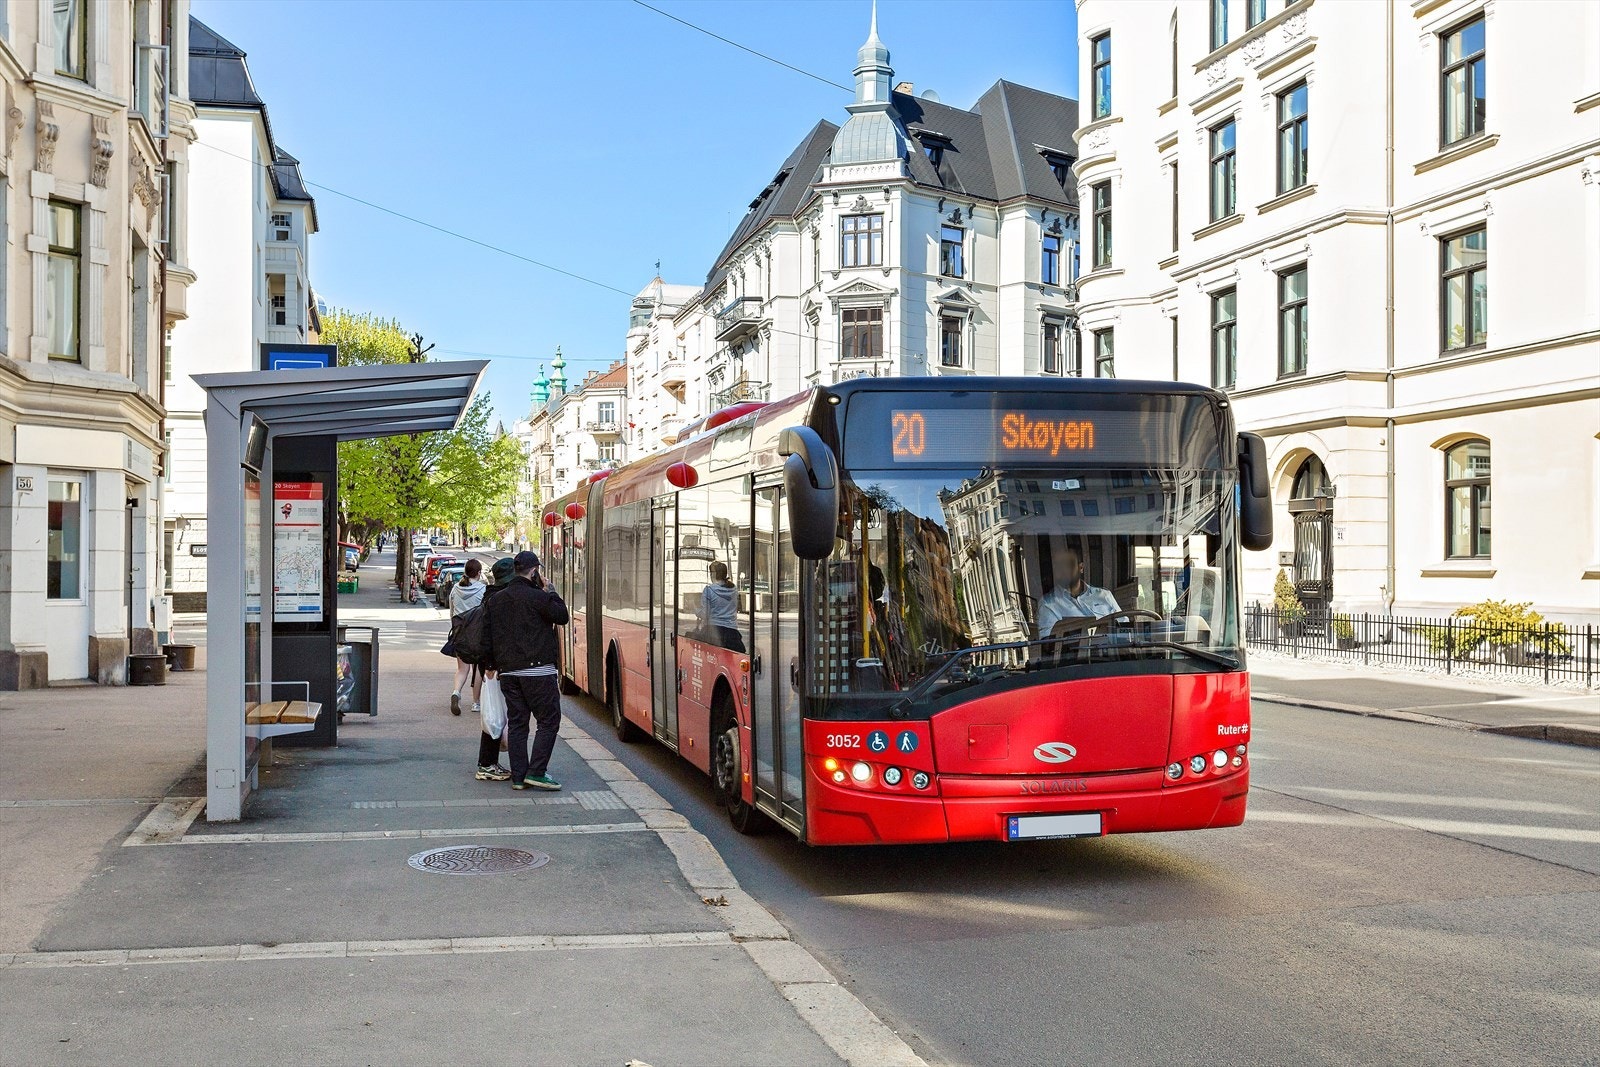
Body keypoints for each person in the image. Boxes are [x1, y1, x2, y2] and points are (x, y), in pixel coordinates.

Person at [483, 551, 569, 791]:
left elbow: (487, 637)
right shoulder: (538, 597)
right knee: (548, 721)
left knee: (518, 723)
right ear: (534, 572)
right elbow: (562, 616)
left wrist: (491, 665)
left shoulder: (496, 600)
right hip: (538, 671)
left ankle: (519, 776)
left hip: (508, 672)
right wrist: (550, 590)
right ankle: (537, 771)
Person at [469, 557, 517, 781]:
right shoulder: (498, 600)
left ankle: (489, 763)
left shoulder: (490, 596)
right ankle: (487, 764)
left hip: (490, 664)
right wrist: (490, 665)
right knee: (496, 715)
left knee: (495, 714)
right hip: (494, 666)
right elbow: (491, 635)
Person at [1036, 544, 1122, 639]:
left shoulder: (1104, 595)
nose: (1063, 570)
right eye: (1059, 566)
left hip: (1113, 650)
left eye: (1068, 565)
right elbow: (1048, 643)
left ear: (1081, 567)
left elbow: (1125, 627)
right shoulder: (1048, 604)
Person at [449, 558, 486, 716]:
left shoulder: (455, 589)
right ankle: (476, 703)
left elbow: (451, 613)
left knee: (462, 669)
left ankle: (456, 692)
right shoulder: (483, 589)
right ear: (478, 573)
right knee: (478, 669)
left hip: (459, 633)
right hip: (478, 634)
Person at [701, 561, 744, 652]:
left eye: (711, 572)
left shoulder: (708, 590)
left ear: (714, 574)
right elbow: (736, 608)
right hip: (732, 634)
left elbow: (705, 614)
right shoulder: (734, 589)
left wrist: (695, 610)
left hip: (713, 632)